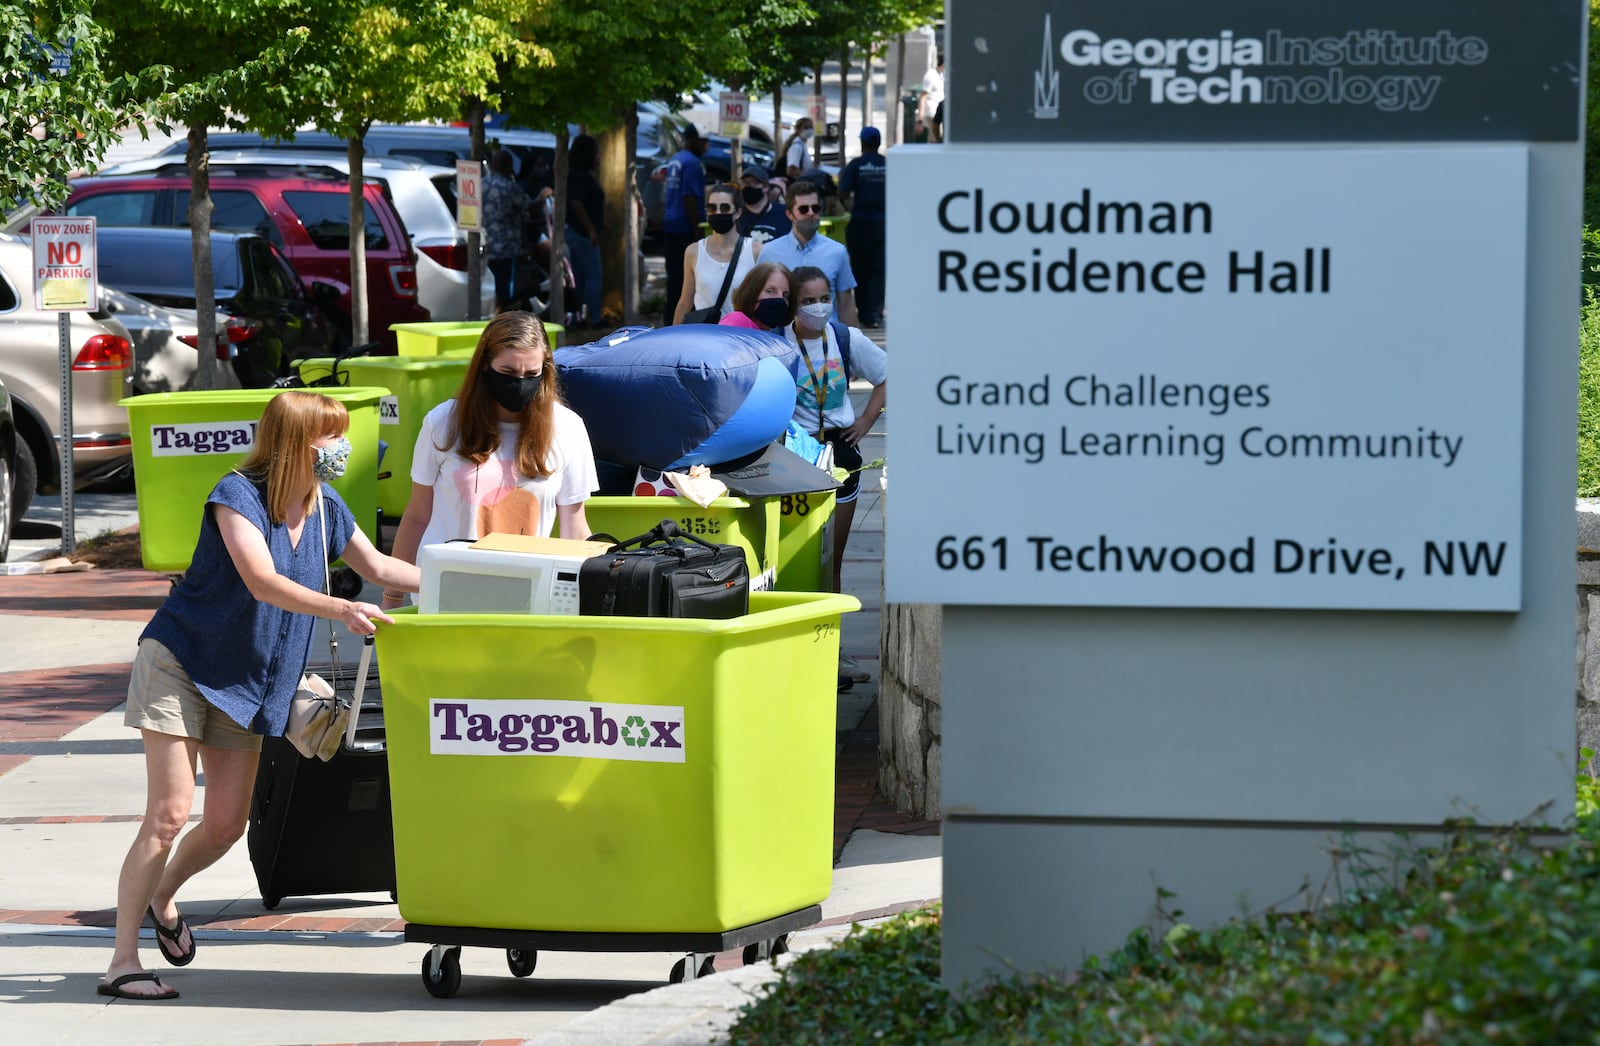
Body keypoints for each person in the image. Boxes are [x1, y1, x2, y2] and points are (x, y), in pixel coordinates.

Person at [101, 391, 421, 1001]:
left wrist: (479, 577)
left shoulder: (325, 505)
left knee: (223, 826)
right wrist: (341, 606)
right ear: (296, 443)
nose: (342, 448)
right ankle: (121, 962)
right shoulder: (237, 494)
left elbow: (380, 566)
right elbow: (261, 580)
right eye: (330, 437)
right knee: (168, 813)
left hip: (246, 679)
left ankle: (162, 898)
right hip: (181, 661)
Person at [385, 312, 598, 601]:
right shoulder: (443, 423)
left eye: (531, 375)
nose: (520, 383)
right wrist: (393, 595)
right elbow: (416, 516)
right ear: (485, 365)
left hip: (527, 595)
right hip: (444, 592)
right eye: (508, 373)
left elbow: (574, 527)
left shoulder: (568, 427)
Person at [784, 266, 887, 684]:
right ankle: (794, 649)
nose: (817, 306)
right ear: (792, 303)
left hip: (840, 453)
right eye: (807, 300)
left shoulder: (845, 338)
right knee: (795, 555)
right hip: (795, 456)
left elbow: (886, 376)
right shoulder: (778, 343)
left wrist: (865, 420)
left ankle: (832, 653)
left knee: (830, 558)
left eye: (823, 296)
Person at [759, 183, 859, 325]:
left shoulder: (837, 252)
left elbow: (846, 304)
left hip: (826, 338)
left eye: (816, 208)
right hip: (784, 339)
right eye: (804, 209)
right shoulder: (769, 252)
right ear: (789, 214)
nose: (811, 213)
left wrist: (852, 343)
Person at [673, 183, 760, 325]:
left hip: (741, 337)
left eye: (725, 208)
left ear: (738, 212)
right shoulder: (693, 251)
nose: (718, 213)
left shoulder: (755, 251)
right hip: (705, 336)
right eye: (712, 208)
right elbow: (685, 302)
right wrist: (674, 339)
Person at [838, 126, 886, 328]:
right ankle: (874, 315)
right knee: (879, 268)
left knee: (859, 267)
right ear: (878, 142)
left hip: (860, 221)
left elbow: (842, 193)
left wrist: (850, 208)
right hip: (883, 222)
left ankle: (863, 312)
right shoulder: (887, 164)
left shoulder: (856, 165)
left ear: (862, 143)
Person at [661, 125, 709, 324]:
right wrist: (697, 227)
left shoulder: (675, 159)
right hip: (684, 227)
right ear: (693, 140)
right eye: (704, 142)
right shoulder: (692, 163)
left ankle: (668, 322)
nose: (707, 146)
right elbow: (689, 196)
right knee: (688, 282)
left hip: (670, 224)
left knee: (674, 279)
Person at [482, 150, 533, 313]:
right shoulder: (510, 187)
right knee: (504, 289)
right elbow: (529, 206)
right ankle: (500, 317)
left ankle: (491, 315)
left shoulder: (481, 184)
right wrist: (543, 195)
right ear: (508, 166)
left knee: (489, 285)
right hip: (506, 248)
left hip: (484, 246)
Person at [565, 134, 605, 328]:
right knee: (593, 275)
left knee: (579, 277)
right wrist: (591, 229)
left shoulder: (579, 176)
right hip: (581, 233)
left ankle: (578, 317)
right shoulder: (578, 177)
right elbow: (576, 203)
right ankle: (594, 318)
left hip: (579, 232)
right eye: (596, 153)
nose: (599, 157)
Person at [717, 261, 794, 331]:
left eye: (785, 295)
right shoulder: (737, 322)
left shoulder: (771, 334)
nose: (780, 298)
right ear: (752, 292)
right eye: (770, 291)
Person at [735, 163, 791, 245]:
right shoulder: (737, 215)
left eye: (751, 183)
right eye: (744, 183)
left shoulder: (784, 213)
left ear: (765, 187)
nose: (746, 187)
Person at [919, 54, 945, 143]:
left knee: (934, 140)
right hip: (931, 112)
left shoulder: (941, 75)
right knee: (934, 139)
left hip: (937, 111)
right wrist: (920, 119)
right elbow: (923, 96)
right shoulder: (931, 75)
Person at [780, 117, 815, 181]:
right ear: (798, 129)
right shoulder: (797, 147)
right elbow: (791, 171)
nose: (809, 130)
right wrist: (809, 174)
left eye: (811, 127)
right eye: (806, 127)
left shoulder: (802, 145)